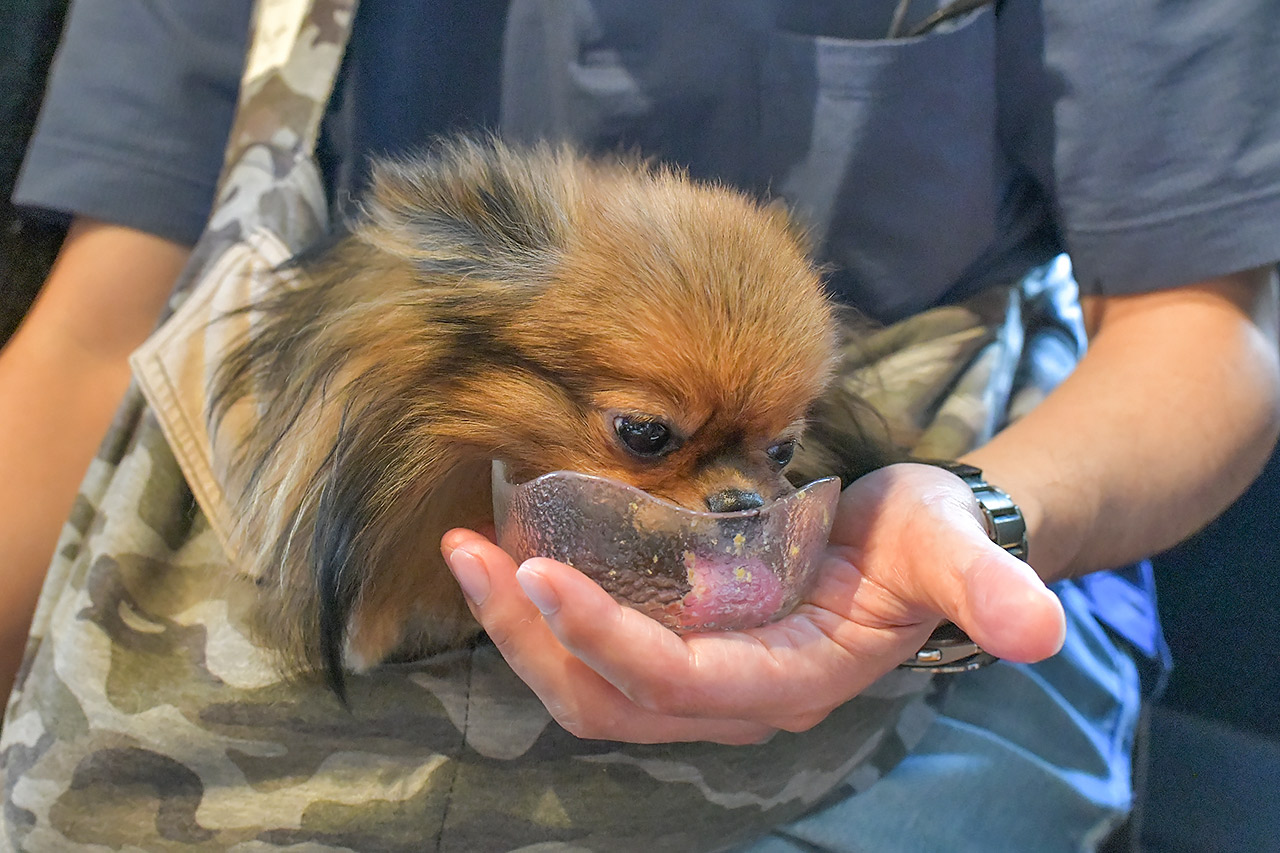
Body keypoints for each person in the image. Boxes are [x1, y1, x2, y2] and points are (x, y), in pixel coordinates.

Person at [2, 0, 1278, 850]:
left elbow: (1205, 326)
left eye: (753, 455)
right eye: (650, 435)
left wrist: (974, 518)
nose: (729, 491)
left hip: (956, 529)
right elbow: (86, 341)